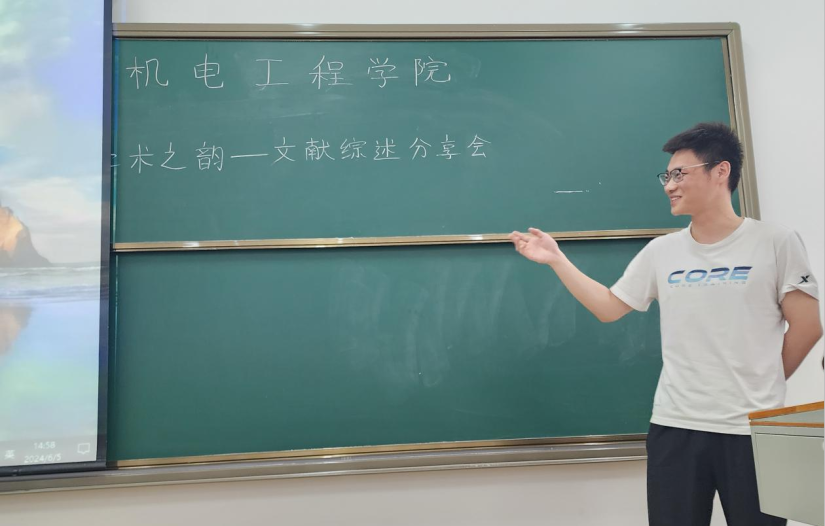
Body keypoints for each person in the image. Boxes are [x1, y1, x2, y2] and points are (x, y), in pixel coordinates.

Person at [509, 122, 823, 526]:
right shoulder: (663, 251)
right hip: (675, 426)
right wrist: (557, 260)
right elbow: (609, 307)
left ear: (721, 171)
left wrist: (764, 379)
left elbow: (808, 326)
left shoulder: (775, 241)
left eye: (679, 174)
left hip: (754, 430)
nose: (669, 185)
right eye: (667, 176)